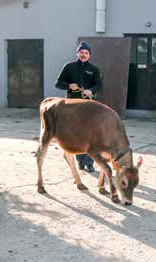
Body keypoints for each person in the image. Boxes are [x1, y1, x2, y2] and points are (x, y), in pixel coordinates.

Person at [55, 41, 100, 172]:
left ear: (89, 55)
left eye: (86, 53)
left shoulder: (94, 69)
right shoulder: (68, 67)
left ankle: (90, 163)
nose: (83, 55)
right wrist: (69, 86)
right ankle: (80, 161)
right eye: (81, 52)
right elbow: (58, 83)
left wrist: (91, 91)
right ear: (77, 53)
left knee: (90, 135)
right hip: (72, 108)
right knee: (76, 135)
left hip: (89, 107)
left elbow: (99, 85)